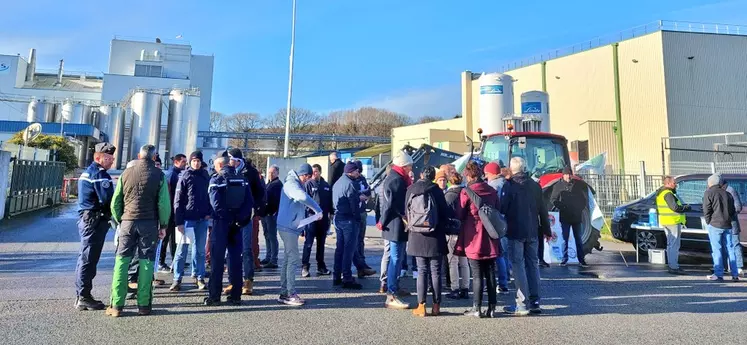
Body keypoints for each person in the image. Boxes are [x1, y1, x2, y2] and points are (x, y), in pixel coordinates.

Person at [107, 144, 170, 317]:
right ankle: (143, 305)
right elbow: (163, 204)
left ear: (138, 155)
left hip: (128, 221)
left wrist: (121, 218)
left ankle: (116, 305)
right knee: (146, 263)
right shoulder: (159, 175)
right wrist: (163, 225)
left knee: (121, 262)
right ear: (155, 157)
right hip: (149, 223)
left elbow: (115, 202)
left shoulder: (125, 174)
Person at [500, 157, 552, 317]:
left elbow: (502, 208)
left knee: (518, 266)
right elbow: (543, 209)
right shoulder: (535, 186)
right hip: (532, 230)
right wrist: (547, 230)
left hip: (515, 231)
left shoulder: (509, 186)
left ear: (512, 169)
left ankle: (522, 304)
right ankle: (535, 301)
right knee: (533, 265)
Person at [204, 156, 254, 306]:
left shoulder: (217, 179)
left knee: (217, 261)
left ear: (219, 165)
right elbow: (249, 202)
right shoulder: (242, 179)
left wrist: (227, 218)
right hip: (237, 224)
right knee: (235, 260)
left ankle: (214, 296)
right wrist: (238, 219)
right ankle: (235, 295)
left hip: (221, 224)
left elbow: (216, 204)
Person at [454, 161, 501, 318]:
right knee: (490, 272)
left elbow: (460, 215)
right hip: (491, 234)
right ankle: (492, 308)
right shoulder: (491, 191)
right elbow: (497, 209)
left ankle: (477, 308)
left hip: (473, 236)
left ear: (468, 175)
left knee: (477, 273)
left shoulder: (466, 192)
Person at [74, 142, 116, 311]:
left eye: (112, 158)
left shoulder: (89, 172)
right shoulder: (99, 174)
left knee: (85, 257)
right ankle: (83, 296)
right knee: (88, 258)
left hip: (88, 219)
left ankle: (82, 294)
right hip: (94, 219)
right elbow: (108, 200)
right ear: (98, 157)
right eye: (108, 158)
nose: (111, 161)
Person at [406, 166, 451, 317]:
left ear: (421, 175)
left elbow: (406, 210)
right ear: (433, 176)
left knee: (421, 271)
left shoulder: (411, 189)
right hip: (435, 235)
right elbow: (445, 212)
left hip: (417, 235)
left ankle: (421, 305)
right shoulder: (436, 190)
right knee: (436, 271)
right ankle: (436, 305)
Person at [277, 163, 323, 306]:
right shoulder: (292, 184)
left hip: (290, 226)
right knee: (293, 259)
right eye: (307, 177)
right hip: (288, 227)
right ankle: (289, 294)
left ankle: (284, 292)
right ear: (303, 174)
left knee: (288, 258)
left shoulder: (294, 182)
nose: (307, 180)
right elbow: (301, 197)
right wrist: (317, 209)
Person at [222, 148, 266, 296]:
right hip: (231, 215)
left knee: (246, 249)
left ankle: (248, 281)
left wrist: (255, 208)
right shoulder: (228, 172)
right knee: (231, 249)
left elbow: (261, 192)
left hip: (247, 216)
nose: (229, 162)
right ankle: (232, 282)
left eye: (232, 159)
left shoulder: (251, 173)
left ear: (238, 160)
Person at [170, 151, 211, 292]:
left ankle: (199, 276)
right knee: (181, 251)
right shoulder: (184, 176)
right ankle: (177, 279)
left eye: (198, 161)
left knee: (199, 250)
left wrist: (208, 212)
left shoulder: (206, 176)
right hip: (187, 220)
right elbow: (178, 200)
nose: (196, 163)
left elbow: (210, 196)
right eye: (194, 161)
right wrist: (178, 221)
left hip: (202, 219)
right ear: (190, 162)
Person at [378, 150, 414, 309]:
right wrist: (382, 221)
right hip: (395, 224)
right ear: (403, 166)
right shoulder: (396, 180)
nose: (411, 168)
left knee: (397, 258)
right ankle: (391, 293)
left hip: (396, 224)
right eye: (409, 166)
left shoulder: (398, 179)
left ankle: (394, 286)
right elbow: (389, 205)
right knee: (395, 257)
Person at [331, 162, 366, 289]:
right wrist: (357, 219)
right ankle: (347, 278)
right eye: (356, 171)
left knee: (339, 249)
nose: (358, 173)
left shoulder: (338, 182)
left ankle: (336, 276)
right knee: (348, 250)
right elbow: (353, 205)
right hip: (348, 220)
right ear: (350, 172)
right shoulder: (350, 184)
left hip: (338, 218)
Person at [550, 166, 590, 267]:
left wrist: (579, 208)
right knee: (565, 238)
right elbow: (553, 199)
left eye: (569, 174)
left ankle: (581, 259)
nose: (568, 176)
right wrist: (561, 207)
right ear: (563, 175)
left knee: (578, 239)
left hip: (576, 216)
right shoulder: (558, 186)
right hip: (565, 217)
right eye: (566, 174)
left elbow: (583, 200)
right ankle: (564, 259)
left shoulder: (577, 185)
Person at [703, 174, 739, 281]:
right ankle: (735, 274)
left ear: (710, 183)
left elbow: (706, 209)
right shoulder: (728, 194)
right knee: (730, 248)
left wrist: (708, 221)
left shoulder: (708, 193)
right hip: (727, 225)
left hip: (714, 224)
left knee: (717, 249)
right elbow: (732, 210)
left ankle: (719, 274)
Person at [483, 161, 511, 294]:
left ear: (492, 173)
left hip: (495, 223)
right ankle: (506, 279)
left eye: (487, 173)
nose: (486, 176)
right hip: (505, 221)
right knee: (504, 253)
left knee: (497, 254)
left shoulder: (493, 186)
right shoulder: (506, 184)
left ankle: (502, 282)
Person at [655, 176, 691, 275]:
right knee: (674, 245)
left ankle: (673, 265)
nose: (676, 185)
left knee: (671, 245)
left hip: (666, 221)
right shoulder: (668, 194)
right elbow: (674, 207)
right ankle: (674, 266)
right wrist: (686, 208)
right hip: (672, 221)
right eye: (674, 183)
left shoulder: (661, 193)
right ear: (668, 183)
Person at [302, 164, 333, 277]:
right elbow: (304, 201)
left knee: (321, 244)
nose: (314, 173)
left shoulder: (326, 185)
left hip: (323, 219)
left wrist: (330, 214)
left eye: (316, 171)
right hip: (311, 218)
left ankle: (321, 266)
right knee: (308, 243)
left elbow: (329, 202)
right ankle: (305, 266)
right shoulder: (308, 184)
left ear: (320, 172)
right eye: (313, 172)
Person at [444, 172, 470, 300]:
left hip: (452, 231)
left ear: (450, 182)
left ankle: (455, 288)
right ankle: (465, 288)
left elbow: (444, 214)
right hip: (465, 231)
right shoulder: (467, 192)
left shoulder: (449, 196)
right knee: (464, 261)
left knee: (452, 261)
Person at [159, 153, 187, 273]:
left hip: (175, 211)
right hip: (170, 211)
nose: (185, 164)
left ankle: (176, 260)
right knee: (166, 237)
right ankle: (161, 261)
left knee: (175, 238)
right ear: (176, 162)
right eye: (183, 162)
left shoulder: (178, 174)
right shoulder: (172, 175)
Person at [353, 160, 377, 278]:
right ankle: (350, 267)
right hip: (353, 214)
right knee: (353, 241)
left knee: (360, 240)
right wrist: (359, 196)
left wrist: (366, 196)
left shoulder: (362, 179)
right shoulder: (350, 180)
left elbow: (368, 191)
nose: (359, 171)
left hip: (362, 212)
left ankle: (362, 266)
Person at [261, 165, 282, 269]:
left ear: (277, 173)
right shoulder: (269, 184)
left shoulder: (277, 184)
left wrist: (273, 212)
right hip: (265, 214)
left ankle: (274, 259)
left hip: (271, 214)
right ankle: (268, 257)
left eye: (273, 172)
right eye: (269, 172)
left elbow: (277, 201)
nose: (270, 174)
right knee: (267, 235)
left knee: (272, 236)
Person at [722, 180, 743, 276]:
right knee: (729, 245)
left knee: (734, 244)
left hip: (730, 222)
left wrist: (726, 215)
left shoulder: (730, 190)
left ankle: (737, 267)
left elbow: (738, 207)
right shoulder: (724, 190)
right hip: (727, 222)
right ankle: (728, 267)